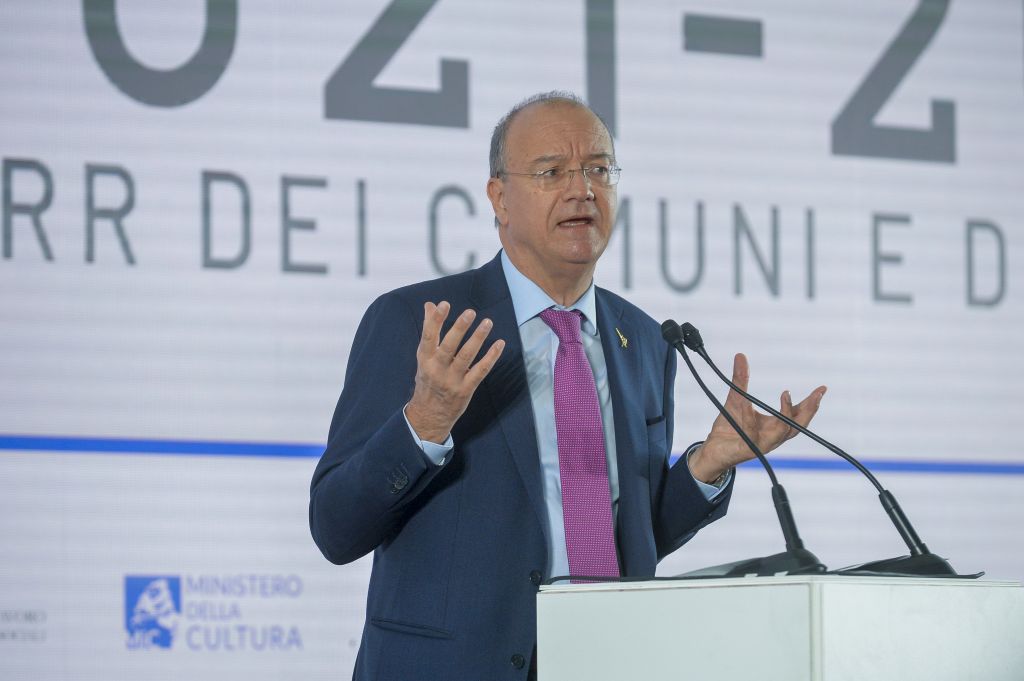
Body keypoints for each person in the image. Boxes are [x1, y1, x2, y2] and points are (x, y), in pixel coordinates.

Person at [309, 91, 826, 681]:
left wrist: (707, 465)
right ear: (499, 198)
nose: (582, 190)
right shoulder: (420, 322)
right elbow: (335, 528)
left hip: (604, 659)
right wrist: (424, 423)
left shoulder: (645, 340)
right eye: (551, 172)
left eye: (599, 170)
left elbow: (625, 539)